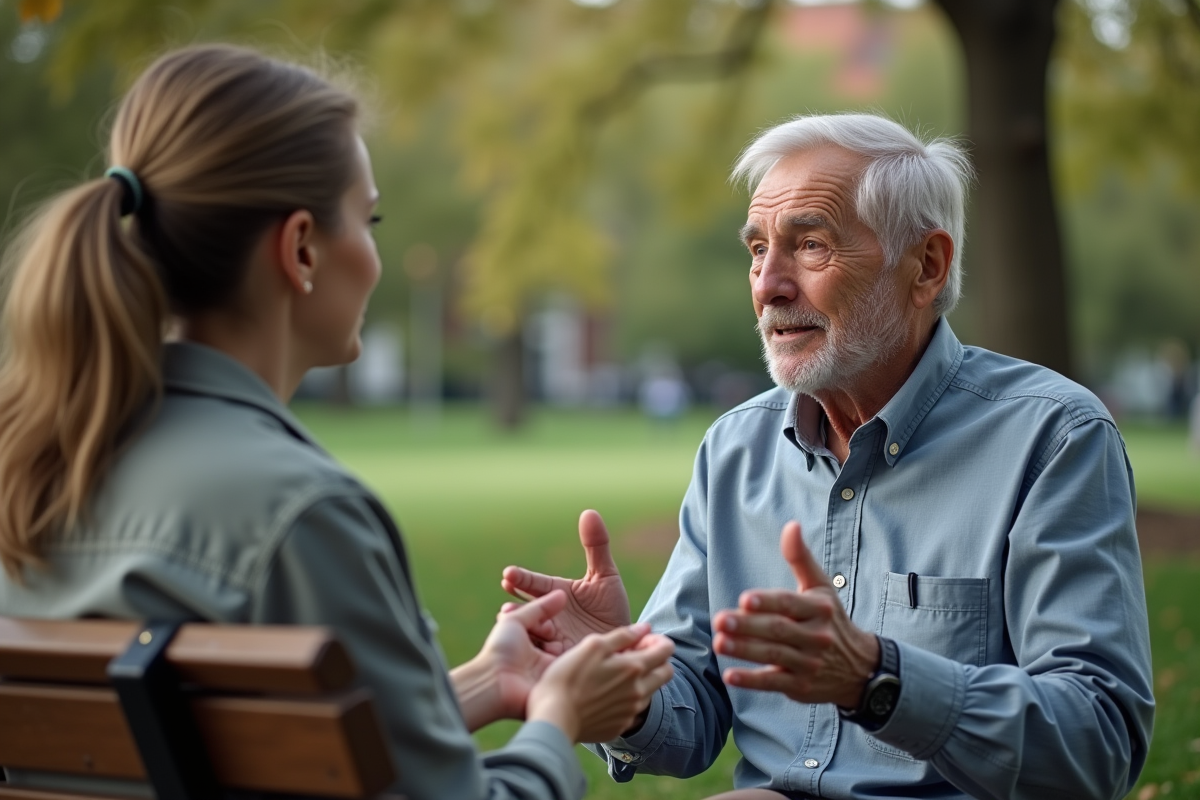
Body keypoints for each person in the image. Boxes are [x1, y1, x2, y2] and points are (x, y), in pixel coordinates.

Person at [0, 44, 675, 800]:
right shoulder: (299, 516)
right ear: (299, 249)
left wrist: (490, 682)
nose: (376, 253)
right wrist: (556, 720)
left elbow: (237, 747)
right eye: (369, 217)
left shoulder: (35, 464)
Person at [501, 114, 1155, 800]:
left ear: (926, 266)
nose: (768, 285)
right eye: (757, 250)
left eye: (809, 245)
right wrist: (614, 681)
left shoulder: (1052, 436)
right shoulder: (735, 450)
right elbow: (689, 721)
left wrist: (877, 680)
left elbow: (1098, 746)